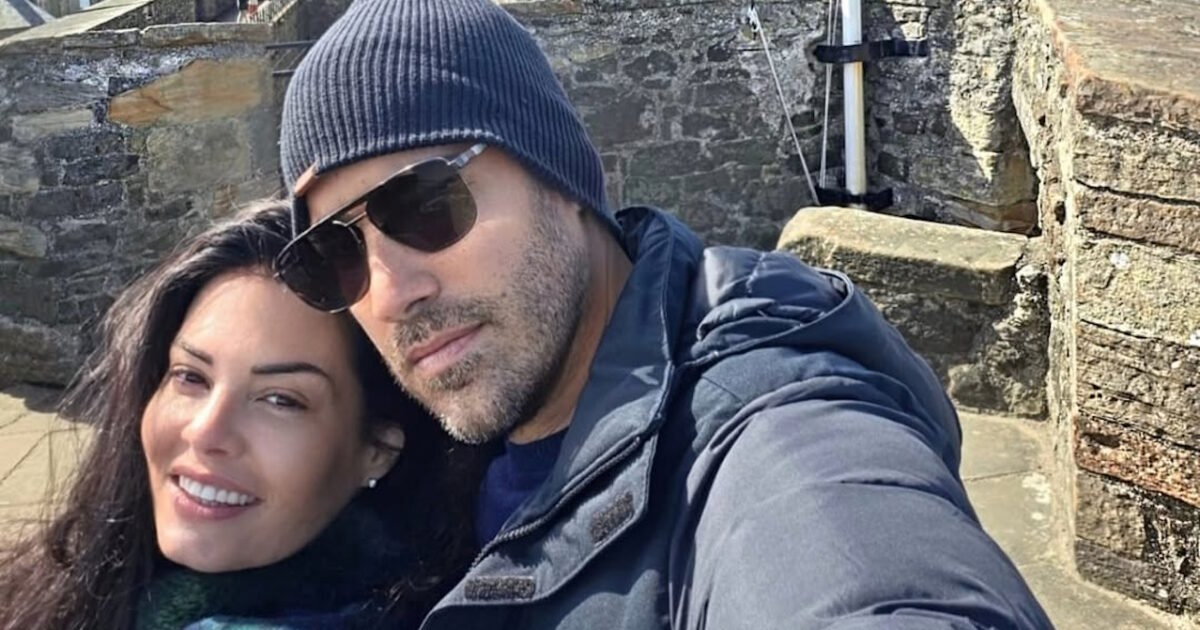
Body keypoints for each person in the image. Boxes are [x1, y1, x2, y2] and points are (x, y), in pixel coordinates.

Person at [274, 0, 1053, 627]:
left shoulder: (763, 425)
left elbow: (845, 556)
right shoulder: (433, 453)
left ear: (561, 179)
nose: (389, 292)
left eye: (425, 204)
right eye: (335, 254)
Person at [0, 200, 487, 629]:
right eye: (190, 376)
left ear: (377, 451)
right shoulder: (58, 584)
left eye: (281, 400)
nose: (206, 431)